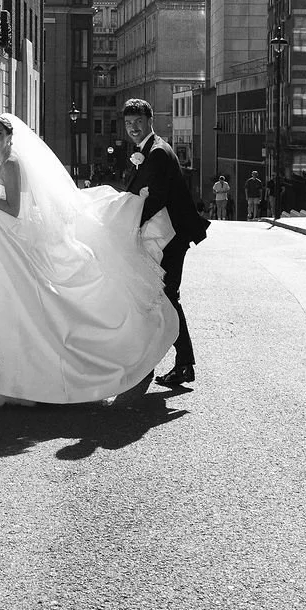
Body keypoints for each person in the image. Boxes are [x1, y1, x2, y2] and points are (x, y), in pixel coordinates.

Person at [0, 115, 178, 405]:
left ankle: (40, 377)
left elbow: (13, 208)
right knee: (20, 308)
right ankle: (23, 377)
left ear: (10, 136)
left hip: (22, 238)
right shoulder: (6, 161)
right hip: (20, 236)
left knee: (33, 309)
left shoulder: (11, 163)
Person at [122, 98, 209, 391]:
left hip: (171, 237)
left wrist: (127, 223)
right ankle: (154, 362)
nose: (133, 128)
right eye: (128, 123)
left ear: (150, 121)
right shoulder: (148, 149)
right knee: (158, 297)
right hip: (166, 236)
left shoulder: (157, 152)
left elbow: (156, 199)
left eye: (138, 122)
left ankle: (183, 363)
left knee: (167, 297)